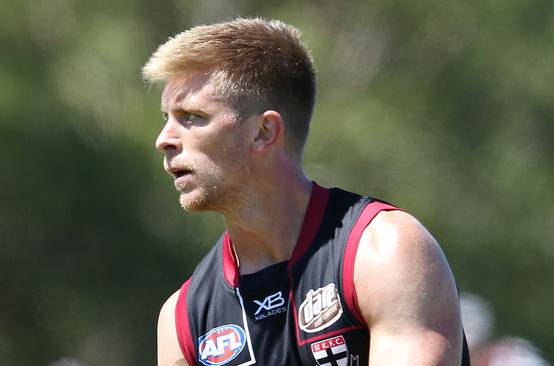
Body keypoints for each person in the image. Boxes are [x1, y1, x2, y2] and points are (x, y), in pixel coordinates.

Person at [142, 17, 469, 366]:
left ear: (264, 132)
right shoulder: (183, 318)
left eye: (192, 117)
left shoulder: (385, 252)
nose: (164, 140)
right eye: (166, 117)